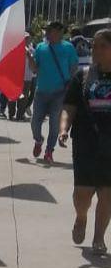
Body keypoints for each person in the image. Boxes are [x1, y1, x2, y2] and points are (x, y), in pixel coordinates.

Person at [59, 29, 111, 255]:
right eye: (95, 46)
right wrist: (63, 129)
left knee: (107, 193)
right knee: (82, 195)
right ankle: (81, 217)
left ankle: (99, 238)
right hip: (86, 143)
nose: (96, 51)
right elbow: (69, 108)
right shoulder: (82, 76)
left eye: (103, 46)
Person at [30, 21, 79, 164]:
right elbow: (35, 69)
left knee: (54, 124)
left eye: (49, 30)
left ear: (59, 31)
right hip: (41, 91)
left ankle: (49, 151)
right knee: (35, 122)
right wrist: (29, 58)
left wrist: (69, 82)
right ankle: (38, 140)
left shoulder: (68, 48)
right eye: (46, 31)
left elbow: (74, 66)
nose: (47, 33)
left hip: (60, 92)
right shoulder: (40, 47)